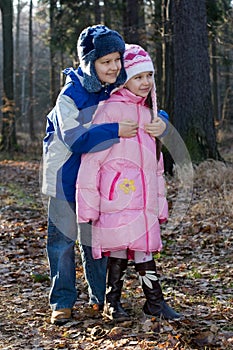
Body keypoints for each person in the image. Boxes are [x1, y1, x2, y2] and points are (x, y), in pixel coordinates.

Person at [42, 25, 142, 325]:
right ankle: (62, 300)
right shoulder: (70, 96)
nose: (113, 67)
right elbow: (73, 138)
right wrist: (114, 130)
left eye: (116, 59)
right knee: (62, 242)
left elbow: (142, 107)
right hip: (64, 178)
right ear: (89, 63)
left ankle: (100, 297)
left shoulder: (117, 88)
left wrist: (158, 120)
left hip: (97, 181)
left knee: (95, 239)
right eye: (105, 61)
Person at [76, 44, 181, 321]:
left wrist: (160, 204)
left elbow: (156, 167)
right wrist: (88, 206)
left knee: (144, 248)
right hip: (117, 198)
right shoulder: (109, 111)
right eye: (138, 77)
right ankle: (113, 303)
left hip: (144, 200)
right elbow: (92, 161)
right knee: (119, 249)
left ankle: (155, 303)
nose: (145, 82)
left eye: (149, 76)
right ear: (125, 79)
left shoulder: (150, 116)